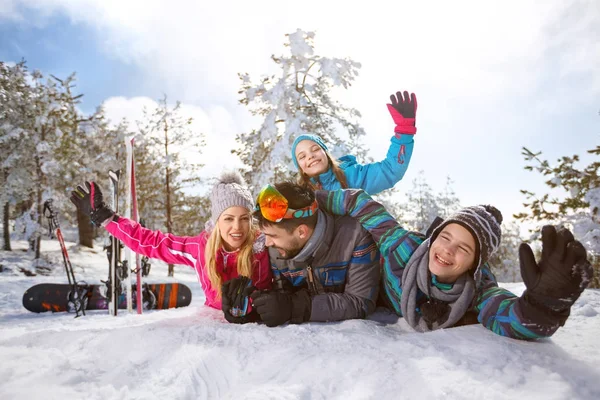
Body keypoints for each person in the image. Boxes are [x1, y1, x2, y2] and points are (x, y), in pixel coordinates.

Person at [316, 189, 593, 339]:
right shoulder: (404, 248)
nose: (446, 250)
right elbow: (361, 204)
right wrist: (313, 200)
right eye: (445, 237)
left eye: (463, 248)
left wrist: (544, 305)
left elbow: (512, 317)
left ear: (476, 264)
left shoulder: (479, 292)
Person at [69, 171, 272, 324]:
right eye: (228, 219)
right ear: (217, 221)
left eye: (244, 219)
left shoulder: (263, 246)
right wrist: (108, 219)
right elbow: (152, 242)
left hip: (253, 328)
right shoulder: (200, 248)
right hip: (212, 326)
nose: (237, 227)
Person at [225, 182, 381, 327]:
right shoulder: (277, 249)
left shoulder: (354, 236)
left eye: (273, 236)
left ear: (301, 232)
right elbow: (283, 296)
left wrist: (297, 308)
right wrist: (253, 308)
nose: (267, 243)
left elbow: (361, 301)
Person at [291, 90, 417, 194]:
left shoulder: (352, 177)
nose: (310, 156)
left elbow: (390, 171)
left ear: (326, 153)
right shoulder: (299, 195)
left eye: (315, 149)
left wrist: (404, 131)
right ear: (300, 168)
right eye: (302, 156)